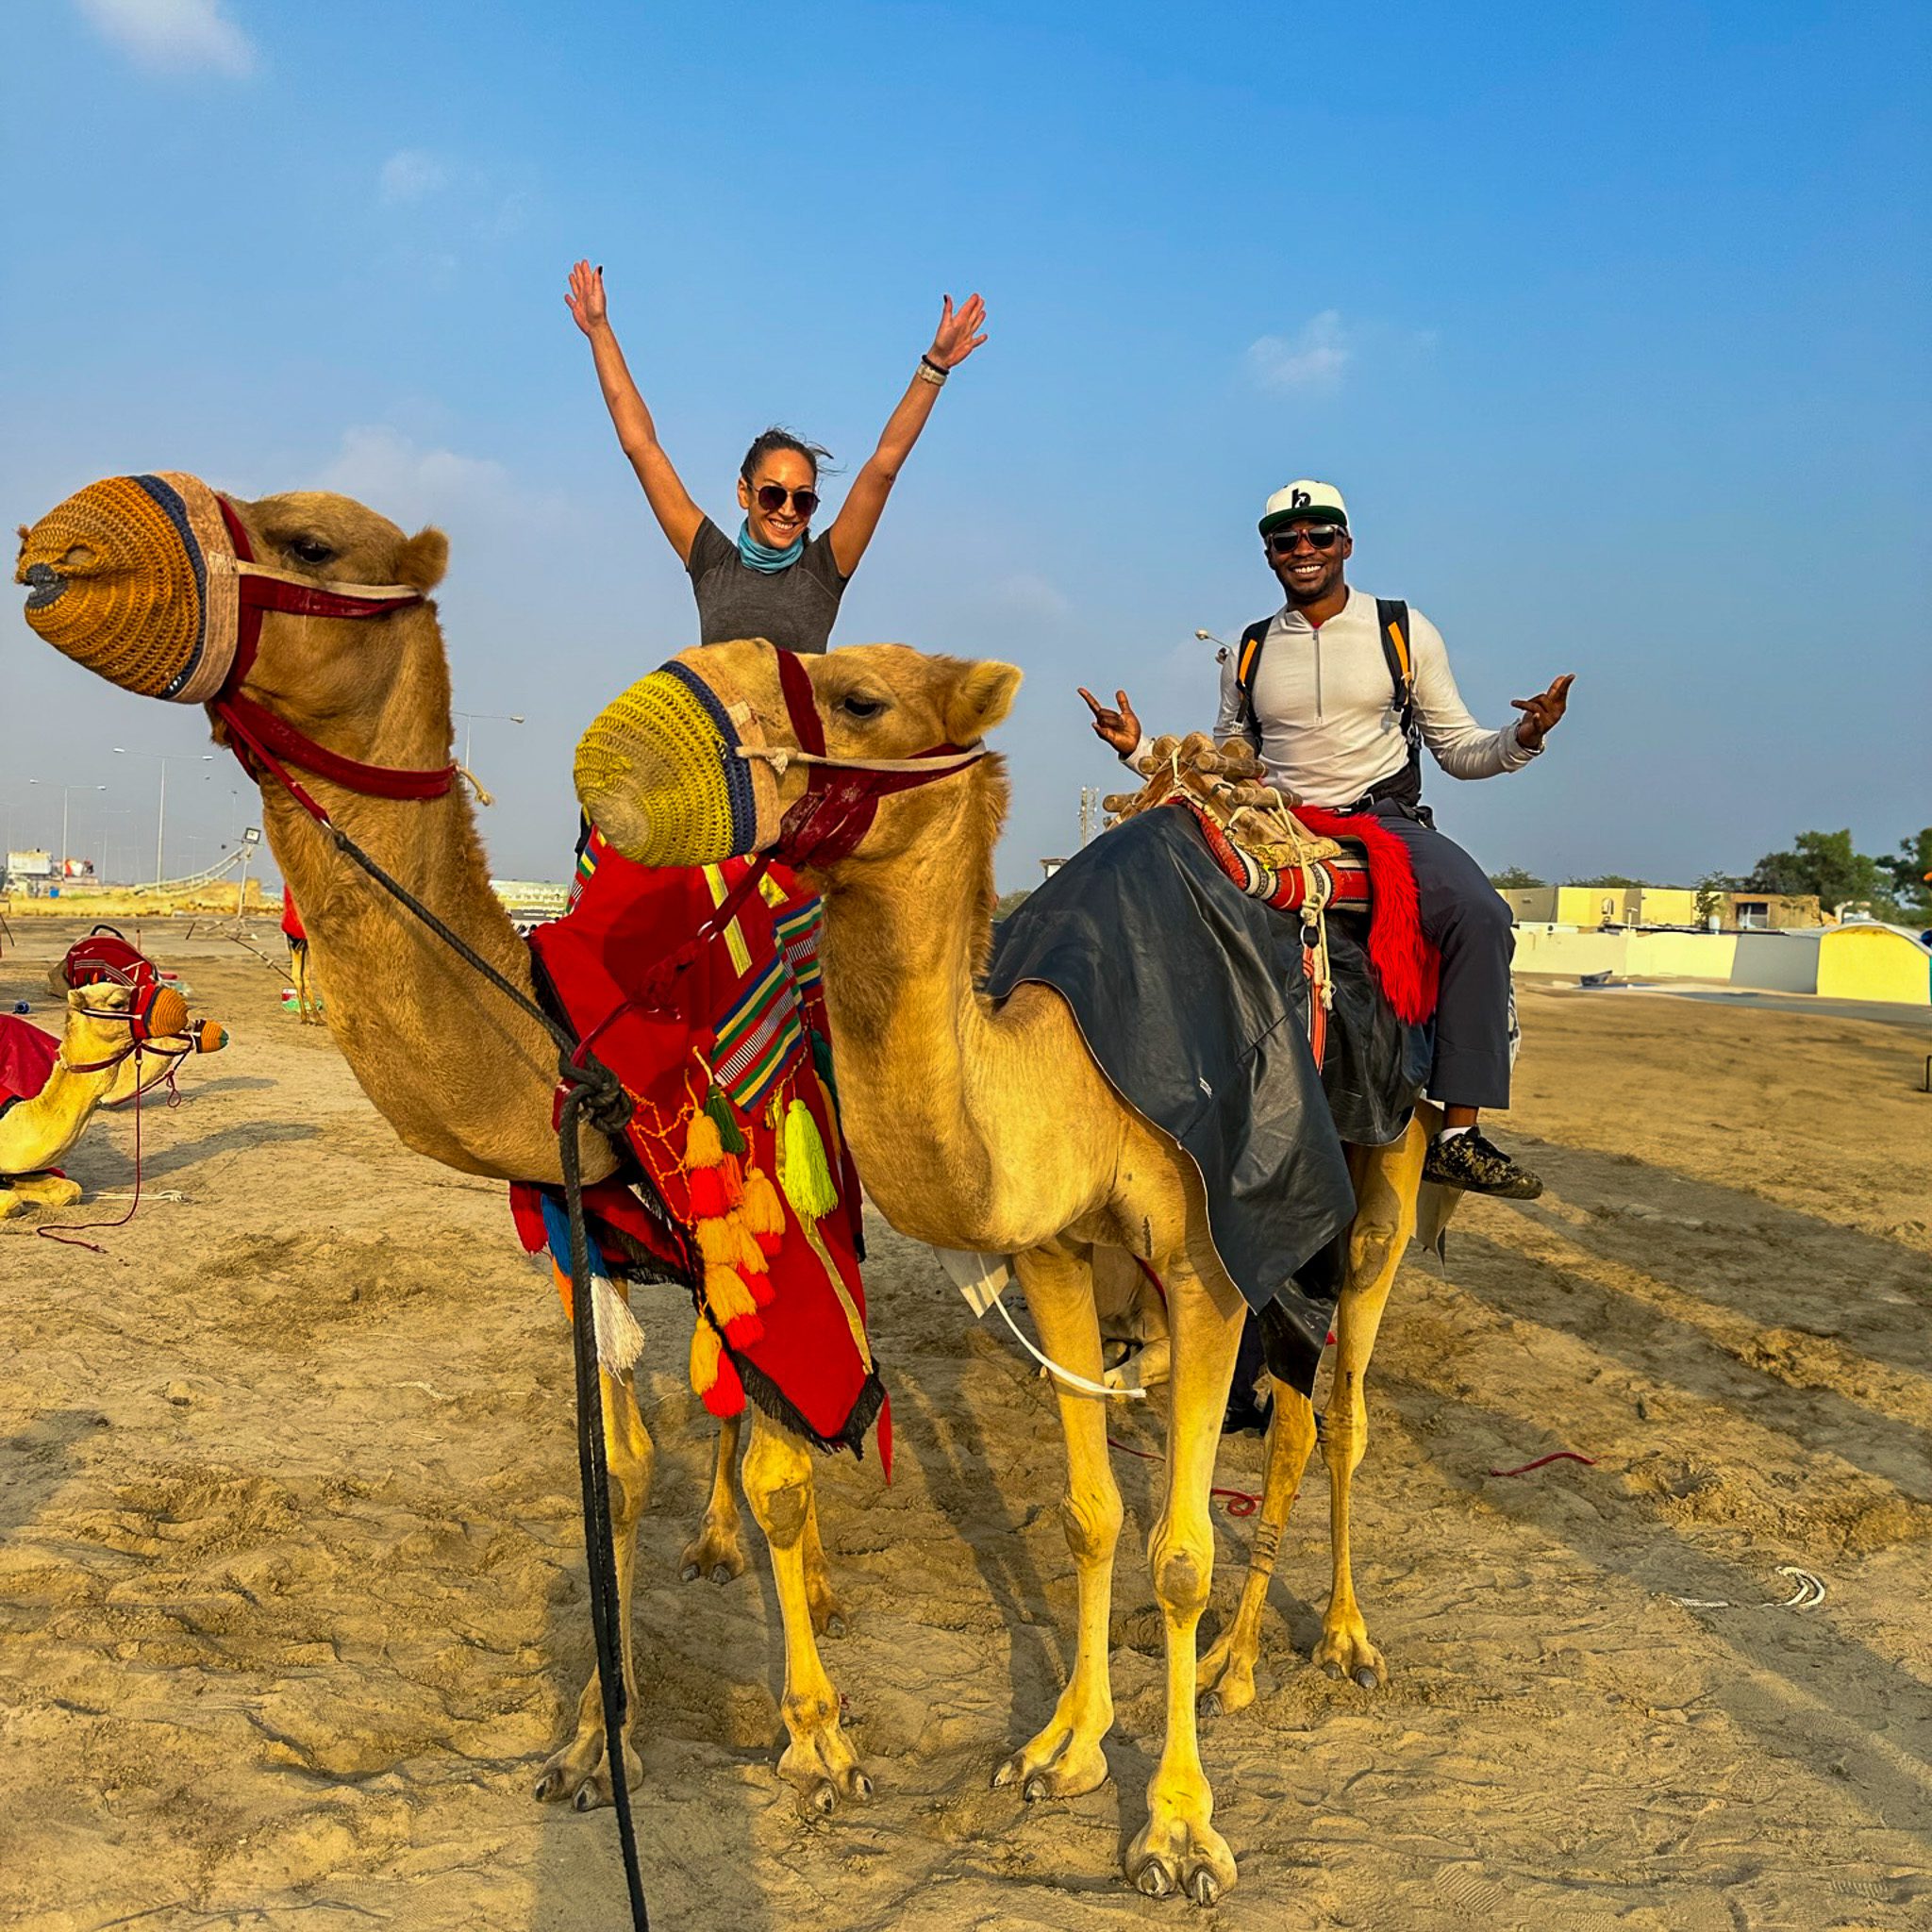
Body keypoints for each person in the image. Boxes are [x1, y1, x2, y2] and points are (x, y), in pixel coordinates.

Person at [1081, 480, 1572, 1198]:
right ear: (1269, 553)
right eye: (1287, 540)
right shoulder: (1246, 651)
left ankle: (1461, 1133)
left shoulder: (1400, 629)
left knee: (1481, 915)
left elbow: (1460, 748)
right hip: (1278, 825)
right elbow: (1228, 761)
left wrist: (1525, 736)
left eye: (1318, 536)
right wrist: (1139, 752)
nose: (1303, 550)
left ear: (1345, 543)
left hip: (1384, 823)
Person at [566, 260, 988, 654]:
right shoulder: (713, 563)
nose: (788, 510)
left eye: (802, 499)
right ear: (744, 492)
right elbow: (642, 447)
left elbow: (884, 467)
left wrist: (935, 366)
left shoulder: (822, 571)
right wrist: (600, 330)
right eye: (773, 495)